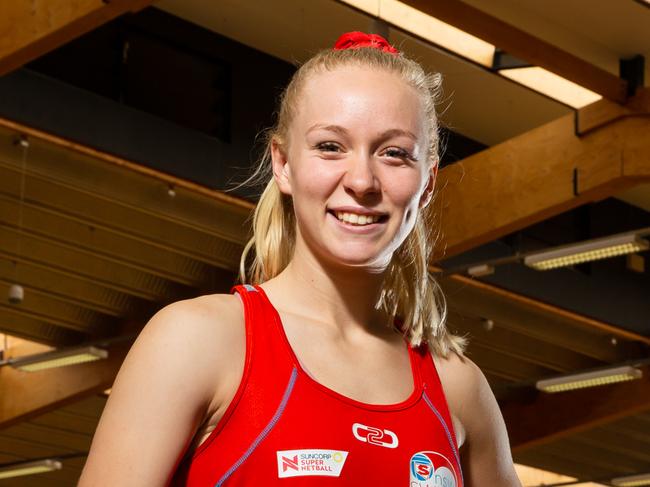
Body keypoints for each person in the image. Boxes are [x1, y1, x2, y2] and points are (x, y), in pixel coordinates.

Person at [79, 32, 521, 486]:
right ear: (283, 163)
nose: (362, 180)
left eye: (393, 153)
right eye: (331, 146)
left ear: (426, 183)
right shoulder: (199, 341)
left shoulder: (457, 389)